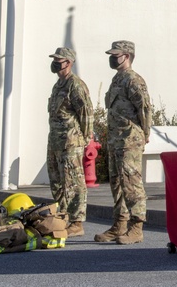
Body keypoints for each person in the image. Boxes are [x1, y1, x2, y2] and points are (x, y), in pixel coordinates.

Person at [94, 40, 152, 245]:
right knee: (117, 183)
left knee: (131, 183)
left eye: (115, 55)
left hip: (129, 140)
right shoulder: (117, 79)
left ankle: (136, 228)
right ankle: (120, 224)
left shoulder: (133, 80)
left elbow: (144, 108)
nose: (112, 58)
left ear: (126, 56)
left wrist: (144, 133)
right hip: (115, 140)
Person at [46, 47, 92, 237]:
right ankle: (63, 216)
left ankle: (76, 222)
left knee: (73, 182)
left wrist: (86, 139)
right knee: (57, 181)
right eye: (55, 60)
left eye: (59, 60)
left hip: (71, 142)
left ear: (69, 62)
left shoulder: (75, 85)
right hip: (55, 140)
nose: (55, 63)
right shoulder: (58, 85)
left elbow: (86, 113)